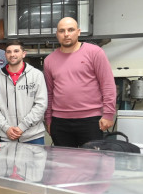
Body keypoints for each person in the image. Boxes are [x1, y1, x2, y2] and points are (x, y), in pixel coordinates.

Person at [0, 40, 48, 194]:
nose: (12, 54)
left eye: (16, 51)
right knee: (7, 170)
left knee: (36, 170)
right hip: (7, 135)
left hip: (32, 133)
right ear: (5, 55)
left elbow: (41, 104)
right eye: (8, 51)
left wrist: (22, 127)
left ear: (23, 54)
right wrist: (6, 127)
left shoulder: (36, 75)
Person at [44, 17, 116, 147]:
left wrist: (109, 114)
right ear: (57, 34)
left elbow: (108, 85)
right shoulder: (49, 60)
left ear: (78, 32)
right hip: (60, 122)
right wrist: (48, 119)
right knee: (63, 165)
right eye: (62, 31)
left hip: (91, 120)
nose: (66, 34)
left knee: (91, 164)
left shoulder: (95, 52)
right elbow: (49, 93)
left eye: (70, 30)